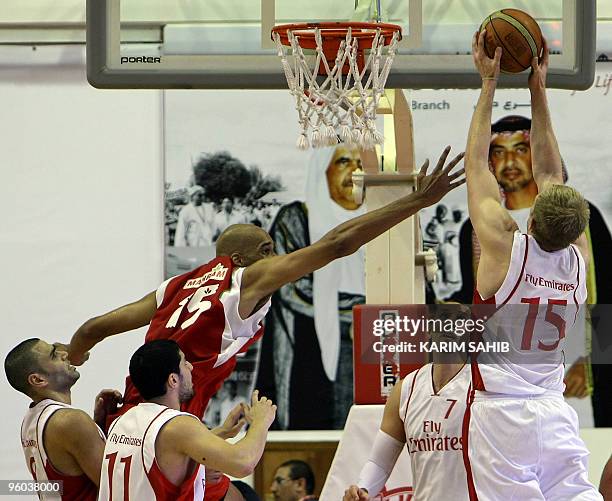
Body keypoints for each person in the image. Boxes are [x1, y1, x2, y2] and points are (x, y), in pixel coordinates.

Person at [65, 145, 463, 499]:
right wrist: (418, 200)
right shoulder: (244, 281)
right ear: (240, 260)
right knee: (235, 482)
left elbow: (91, 330)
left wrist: (73, 357)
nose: (277, 260)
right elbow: (338, 244)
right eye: (267, 251)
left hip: (128, 420)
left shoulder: (174, 286)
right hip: (168, 425)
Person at [462, 32, 601, 499]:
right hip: (554, 410)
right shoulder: (578, 261)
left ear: (534, 215)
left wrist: (488, 84)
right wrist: (539, 91)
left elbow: (478, 170)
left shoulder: (505, 247)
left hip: (504, 415)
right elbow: (553, 176)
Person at [452, 114, 612, 425]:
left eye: (521, 149)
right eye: (498, 151)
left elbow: (606, 293)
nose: (510, 160)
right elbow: (478, 297)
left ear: (535, 152)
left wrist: (591, 362)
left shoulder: (580, 216)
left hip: (573, 371)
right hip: (508, 373)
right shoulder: (472, 229)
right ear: (490, 162)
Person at [255, 144, 366, 430]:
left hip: (372, 345)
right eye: (343, 162)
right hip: (308, 346)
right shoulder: (295, 219)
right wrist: (359, 313)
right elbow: (289, 286)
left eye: (361, 162)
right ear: (322, 171)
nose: (355, 171)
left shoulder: (381, 222)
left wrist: (371, 318)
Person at [98, 339, 276, 500]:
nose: (191, 367)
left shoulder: (122, 421)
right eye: (184, 362)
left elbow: (164, 452)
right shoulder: (177, 425)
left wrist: (220, 432)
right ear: (173, 380)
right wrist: (261, 421)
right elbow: (243, 464)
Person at [343, 307, 470, 500]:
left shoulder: (485, 386)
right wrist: (363, 489)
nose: (449, 326)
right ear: (428, 331)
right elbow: (380, 462)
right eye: (443, 319)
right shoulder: (406, 389)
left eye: (459, 321)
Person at [4, 339, 113, 500]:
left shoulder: (31, 420)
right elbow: (117, 487)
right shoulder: (70, 421)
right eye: (54, 355)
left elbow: (69, 478)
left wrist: (98, 425)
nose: (64, 353)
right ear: (38, 380)